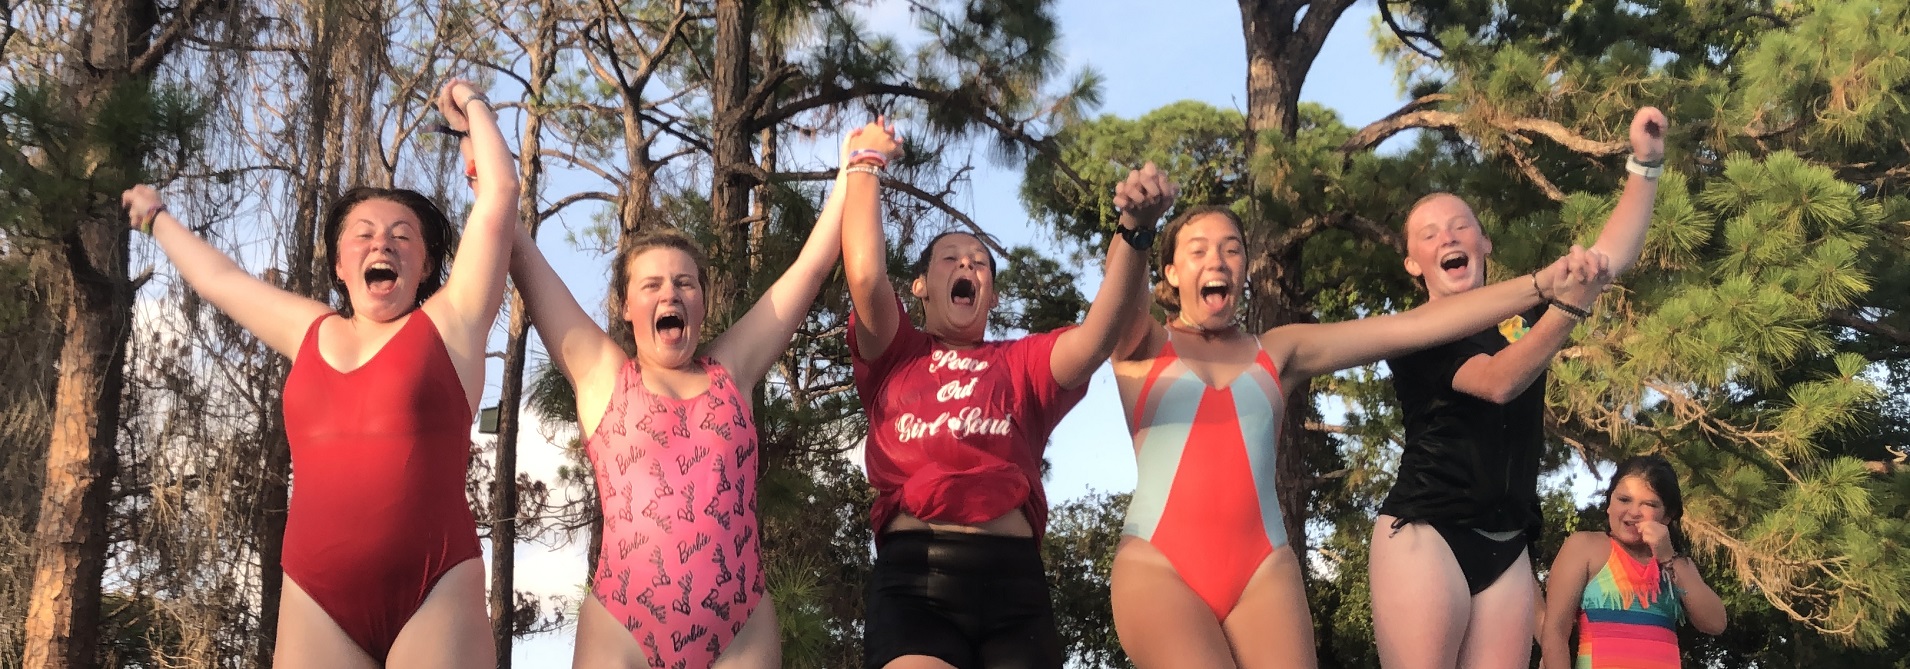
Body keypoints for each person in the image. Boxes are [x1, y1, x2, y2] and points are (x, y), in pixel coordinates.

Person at [120, 79, 515, 667]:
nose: (383, 242)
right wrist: (156, 219)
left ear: (427, 264)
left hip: (436, 586)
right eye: (364, 234)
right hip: (315, 596)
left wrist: (470, 105)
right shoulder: (310, 329)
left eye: (402, 236)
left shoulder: (451, 322)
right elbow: (222, 280)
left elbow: (500, 193)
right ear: (339, 263)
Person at [1109, 204, 1610, 668]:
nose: (1217, 259)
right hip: (1161, 564)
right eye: (1197, 251)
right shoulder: (1144, 345)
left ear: (1245, 269)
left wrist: (1544, 286)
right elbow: (1116, 304)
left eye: (1232, 248)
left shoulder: (1279, 349)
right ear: (1171, 274)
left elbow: (1411, 328)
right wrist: (1135, 229)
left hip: (1263, 569)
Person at [506, 128, 870, 669]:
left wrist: (852, 170)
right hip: (621, 627)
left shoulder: (734, 369)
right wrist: (483, 164)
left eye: (685, 283)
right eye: (650, 285)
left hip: (740, 627)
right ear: (624, 304)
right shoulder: (604, 374)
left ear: (702, 301)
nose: (670, 293)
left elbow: (810, 269)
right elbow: (523, 258)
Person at [842, 122, 1173, 669]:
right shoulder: (895, 351)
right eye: (950, 258)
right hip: (914, 582)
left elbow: (1097, 337)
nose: (967, 264)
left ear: (991, 294)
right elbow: (864, 276)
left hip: (1013, 587)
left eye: (978, 261)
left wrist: (1134, 232)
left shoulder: (1020, 364)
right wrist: (865, 165)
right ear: (921, 285)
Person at [1368, 107, 1672, 669]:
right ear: (1414, 263)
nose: (1448, 237)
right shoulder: (1414, 335)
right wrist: (1566, 311)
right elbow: (1500, 381)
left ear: (1483, 243)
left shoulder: (1525, 311)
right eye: (1429, 234)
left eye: (1460, 226)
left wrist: (1645, 165)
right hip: (1426, 531)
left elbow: (1608, 258)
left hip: (1507, 542)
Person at [1540, 454, 1727, 668]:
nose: (1634, 512)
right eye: (1624, 500)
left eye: (1648, 504)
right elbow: (1555, 632)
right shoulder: (1585, 547)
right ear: (1609, 503)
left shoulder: (1677, 564)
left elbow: (1716, 623)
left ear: (1667, 516)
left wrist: (1668, 557)